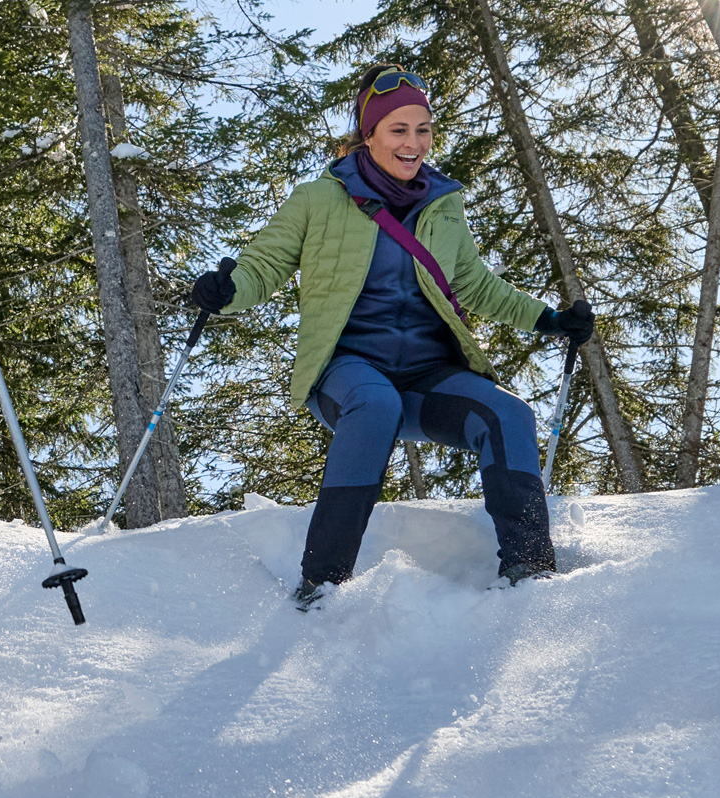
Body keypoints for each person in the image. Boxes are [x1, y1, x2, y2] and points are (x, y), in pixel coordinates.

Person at [189, 66, 598, 606]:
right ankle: (323, 583)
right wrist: (226, 289)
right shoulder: (317, 199)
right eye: (398, 129)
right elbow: (263, 266)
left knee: (509, 416)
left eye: (423, 129)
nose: (413, 143)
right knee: (376, 405)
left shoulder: (443, 205)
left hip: (429, 376)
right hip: (349, 369)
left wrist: (548, 320)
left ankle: (530, 573)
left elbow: (474, 285)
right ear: (369, 133)